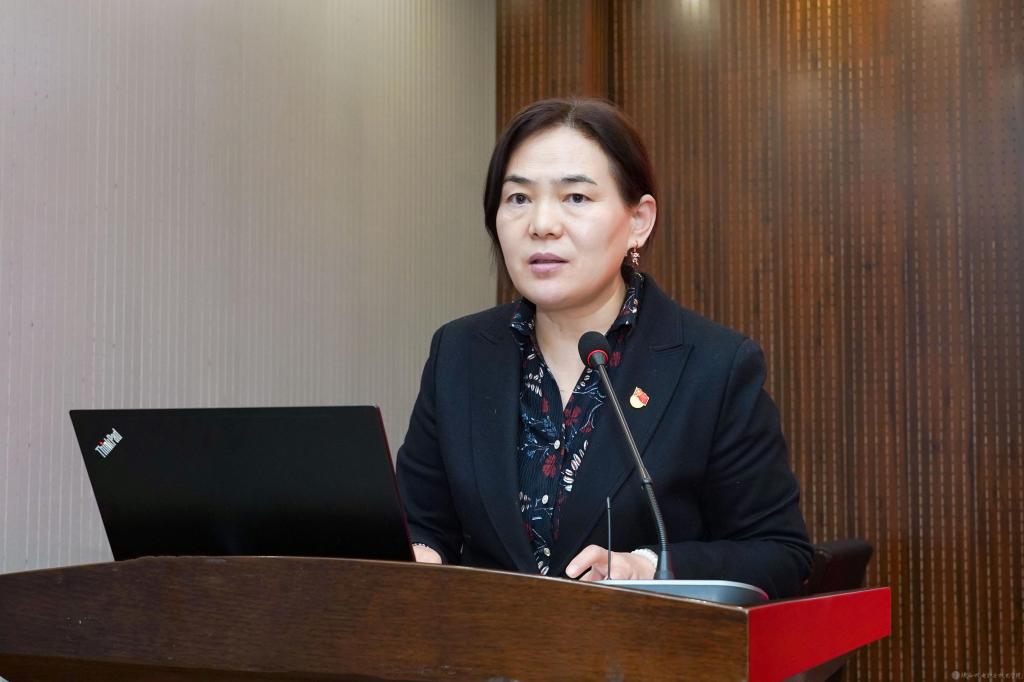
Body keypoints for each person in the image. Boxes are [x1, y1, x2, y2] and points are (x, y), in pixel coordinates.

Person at [395, 98, 813, 598]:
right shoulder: (460, 352)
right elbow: (423, 523)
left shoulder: (715, 366)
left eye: (576, 197)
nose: (541, 224)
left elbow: (780, 553)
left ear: (639, 220)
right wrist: (419, 555)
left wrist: (647, 567)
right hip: (484, 644)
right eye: (519, 198)